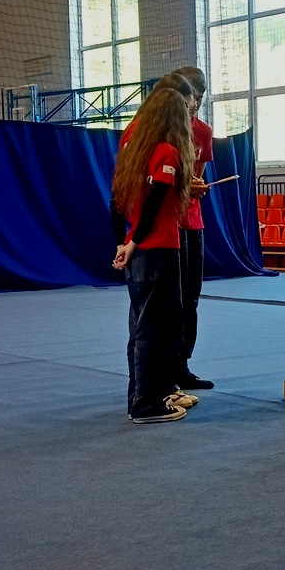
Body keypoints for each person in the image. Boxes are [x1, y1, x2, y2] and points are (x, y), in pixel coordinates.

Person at [111, 88, 196, 423]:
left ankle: (145, 394)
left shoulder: (133, 152)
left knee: (142, 327)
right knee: (156, 329)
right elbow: (155, 203)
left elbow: (116, 203)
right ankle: (145, 402)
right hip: (158, 250)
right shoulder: (166, 152)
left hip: (139, 250)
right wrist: (133, 242)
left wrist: (122, 242)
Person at [171, 66, 215, 391]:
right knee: (170, 299)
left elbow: (197, 175)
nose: (195, 104)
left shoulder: (204, 132)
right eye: (192, 97)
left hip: (193, 222)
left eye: (200, 98)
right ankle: (164, 365)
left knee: (191, 299)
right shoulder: (165, 129)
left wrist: (196, 186)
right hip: (168, 224)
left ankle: (182, 364)